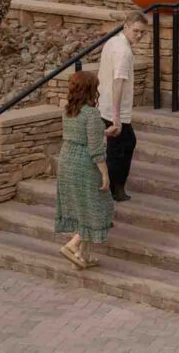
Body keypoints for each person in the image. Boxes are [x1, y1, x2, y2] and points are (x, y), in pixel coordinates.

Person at [55, 71, 114, 270]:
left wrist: (103, 131)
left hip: (66, 159)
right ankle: (72, 246)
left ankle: (83, 256)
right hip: (84, 164)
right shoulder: (92, 113)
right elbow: (96, 150)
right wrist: (105, 173)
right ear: (91, 90)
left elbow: (81, 134)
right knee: (99, 206)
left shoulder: (68, 110)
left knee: (79, 207)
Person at [98, 11, 148, 202]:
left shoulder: (113, 41)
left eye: (142, 33)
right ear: (126, 26)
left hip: (106, 105)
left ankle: (114, 188)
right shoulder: (124, 52)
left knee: (118, 147)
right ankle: (114, 189)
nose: (139, 36)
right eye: (136, 31)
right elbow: (118, 81)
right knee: (122, 147)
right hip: (115, 109)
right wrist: (117, 117)